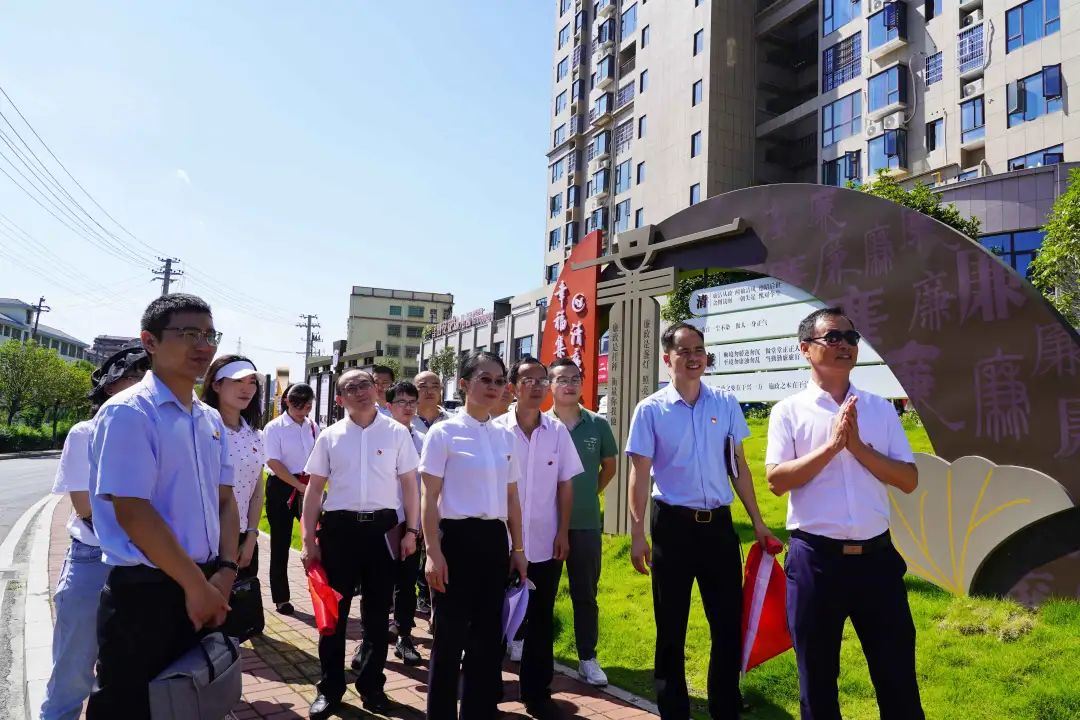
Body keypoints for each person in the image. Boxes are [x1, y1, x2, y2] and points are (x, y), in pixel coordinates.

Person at [765, 307, 923, 720]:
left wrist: (858, 449)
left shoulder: (879, 409)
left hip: (877, 562)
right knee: (817, 682)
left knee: (898, 678)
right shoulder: (789, 411)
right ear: (805, 348)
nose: (845, 345)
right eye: (833, 337)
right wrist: (833, 446)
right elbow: (777, 480)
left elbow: (908, 479)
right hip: (816, 563)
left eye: (851, 338)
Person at [86, 293, 238, 719]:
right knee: (130, 707)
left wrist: (226, 573)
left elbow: (226, 500)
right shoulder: (129, 413)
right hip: (146, 593)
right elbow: (133, 511)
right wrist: (197, 588)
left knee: (190, 702)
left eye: (210, 335)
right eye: (188, 333)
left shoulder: (209, 419)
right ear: (149, 341)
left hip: (206, 583)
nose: (203, 346)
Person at [626, 321, 778, 720]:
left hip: (718, 529)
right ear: (667, 358)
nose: (694, 358)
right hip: (672, 527)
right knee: (671, 626)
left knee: (727, 624)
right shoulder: (651, 409)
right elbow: (639, 474)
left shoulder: (724, 403)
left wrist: (758, 522)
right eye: (685, 351)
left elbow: (738, 466)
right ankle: (673, 710)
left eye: (699, 350)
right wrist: (637, 533)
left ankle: (725, 708)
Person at [300, 369, 421, 719]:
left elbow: (410, 485)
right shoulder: (330, 436)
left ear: (376, 389)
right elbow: (314, 490)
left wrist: (412, 531)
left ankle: (372, 686)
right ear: (340, 399)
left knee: (377, 615)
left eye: (365, 384)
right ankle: (330, 688)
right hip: (339, 531)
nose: (360, 391)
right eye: (350, 388)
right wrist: (308, 540)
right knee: (333, 615)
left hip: (383, 531)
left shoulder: (397, 433)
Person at [40, 345, 150, 720]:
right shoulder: (85, 433)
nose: (142, 385)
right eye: (134, 377)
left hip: (146, 560)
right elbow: (85, 506)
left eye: (148, 377)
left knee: (130, 671)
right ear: (110, 385)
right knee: (73, 672)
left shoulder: (158, 434)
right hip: (94, 559)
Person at [420, 351, 529, 720]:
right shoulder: (443, 433)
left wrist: (518, 548)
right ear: (464, 384)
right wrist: (433, 551)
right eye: (485, 379)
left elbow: (512, 498)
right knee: (449, 641)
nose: (493, 387)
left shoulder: (505, 436)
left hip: (494, 542)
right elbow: (429, 498)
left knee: (487, 641)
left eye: (499, 381)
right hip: (455, 540)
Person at [494, 357, 581, 719]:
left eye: (541, 380)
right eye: (527, 380)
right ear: (512, 387)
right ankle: (487, 688)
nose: (536, 386)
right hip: (499, 544)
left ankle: (537, 693)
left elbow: (566, 484)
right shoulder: (495, 430)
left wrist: (563, 531)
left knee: (541, 620)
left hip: (545, 542)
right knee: (492, 619)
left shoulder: (557, 431)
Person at [546, 357, 617, 688]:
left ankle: (587, 658)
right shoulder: (541, 424)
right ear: (550, 385)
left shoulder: (597, 424)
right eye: (562, 379)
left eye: (575, 378)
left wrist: (589, 493)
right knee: (540, 591)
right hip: (545, 523)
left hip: (586, 523)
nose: (569, 384)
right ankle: (527, 644)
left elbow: (609, 467)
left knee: (585, 594)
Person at [201, 355, 265, 581]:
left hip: (243, 538)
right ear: (216, 385)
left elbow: (257, 490)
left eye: (252, 382)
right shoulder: (201, 430)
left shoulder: (255, 435)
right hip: (206, 538)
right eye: (238, 381)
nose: (246, 388)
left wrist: (251, 536)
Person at [263, 382, 318, 614]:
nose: (303, 411)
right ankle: (281, 598)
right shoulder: (274, 427)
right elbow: (273, 462)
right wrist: (298, 486)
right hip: (282, 486)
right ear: (287, 402)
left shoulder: (312, 426)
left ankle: (322, 592)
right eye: (298, 406)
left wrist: (312, 486)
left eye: (308, 406)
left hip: (309, 486)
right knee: (280, 542)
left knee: (317, 539)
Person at [384, 380, 426, 666]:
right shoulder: (378, 437)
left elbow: (428, 486)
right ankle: (371, 638)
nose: (408, 407)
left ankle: (404, 636)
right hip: (382, 523)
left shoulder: (424, 440)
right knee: (377, 583)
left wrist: (418, 524)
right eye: (401, 402)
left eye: (412, 402)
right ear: (389, 406)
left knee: (407, 581)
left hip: (412, 523)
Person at [412, 369, 454, 614]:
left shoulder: (451, 422)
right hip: (410, 499)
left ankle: (430, 601)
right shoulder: (404, 421)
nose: (429, 391)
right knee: (410, 555)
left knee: (437, 550)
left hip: (443, 500)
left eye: (435, 385)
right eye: (423, 386)